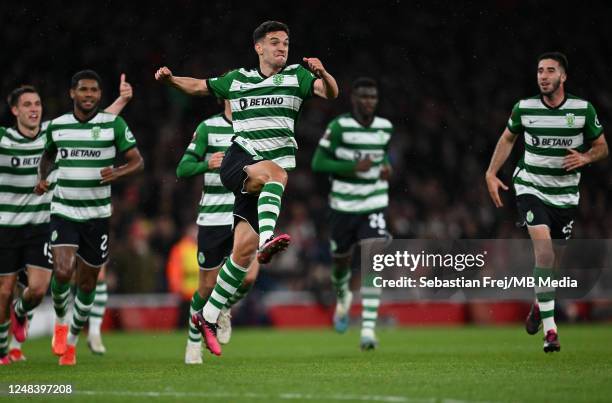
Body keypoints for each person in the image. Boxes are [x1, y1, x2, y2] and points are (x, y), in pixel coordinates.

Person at [155, 20, 338, 355]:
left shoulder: (297, 77)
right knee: (278, 175)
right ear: (259, 47)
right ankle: (268, 240)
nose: (282, 47)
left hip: (257, 183)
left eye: (285, 42)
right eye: (274, 42)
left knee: (242, 255)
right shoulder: (237, 80)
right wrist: (170, 80)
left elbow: (331, 93)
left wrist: (323, 73)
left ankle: (209, 315)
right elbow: (197, 86)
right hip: (239, 161)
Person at [0, 77, 132, 365]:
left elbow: (96, 122)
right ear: (15, 111)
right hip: (10, 225)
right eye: (27, 105)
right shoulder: (5, 139)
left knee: (37, 289)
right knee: (6, 290)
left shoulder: (54, 128)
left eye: (37, 104)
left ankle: (30, 321)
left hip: (43, 222)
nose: (34, 109)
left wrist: (122, 100)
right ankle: (7, 349)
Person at [485, 52, 608, 353]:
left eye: (550, 71)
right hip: (531, 186)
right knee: (543, 252)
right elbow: (507, 139)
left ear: (563, 77)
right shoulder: (524, 108)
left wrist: (586, 157)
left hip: (565, 196)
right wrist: (490, 173)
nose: (543, 76)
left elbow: (602, 146)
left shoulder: (581, 110)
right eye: (540, 70)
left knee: (555, 264)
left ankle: (541, 306)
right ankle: (551, 333)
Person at [36, 69, 144, 365]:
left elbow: (137, 161)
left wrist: (118, 172)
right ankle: (60, 322)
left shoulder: (113, 124)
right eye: (83, 90)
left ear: (99, 95)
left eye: (94, 91)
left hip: (97, 216)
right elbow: (47, 156)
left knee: (87, 285)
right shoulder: (57, 126)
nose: (89, 95)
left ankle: (71, 341)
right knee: (61, 271)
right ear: (72, 93)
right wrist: (43, 178)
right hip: (64, 210)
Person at [311, 77, 393, 350]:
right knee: (340, 264)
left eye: (373, 97)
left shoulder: (385, 128)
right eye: (364, 97)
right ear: (354, 99)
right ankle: (343, 294)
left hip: (374, 202)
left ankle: (368, 331)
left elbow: (382, 157)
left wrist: (386, 168)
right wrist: (354, 167)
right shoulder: (338, 127)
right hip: (343, 206)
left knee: (373, 259)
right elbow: (318, 163)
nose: (369, 101)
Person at [176, 100, 260, 364]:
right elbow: (182, 168)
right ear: (226, 96)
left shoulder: (257, 128)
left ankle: (223, 305)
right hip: (213, 216)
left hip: (244, 213)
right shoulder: (208, 128)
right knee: (206, 286)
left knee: (248, 278)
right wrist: (206, 163)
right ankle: (192, 341)